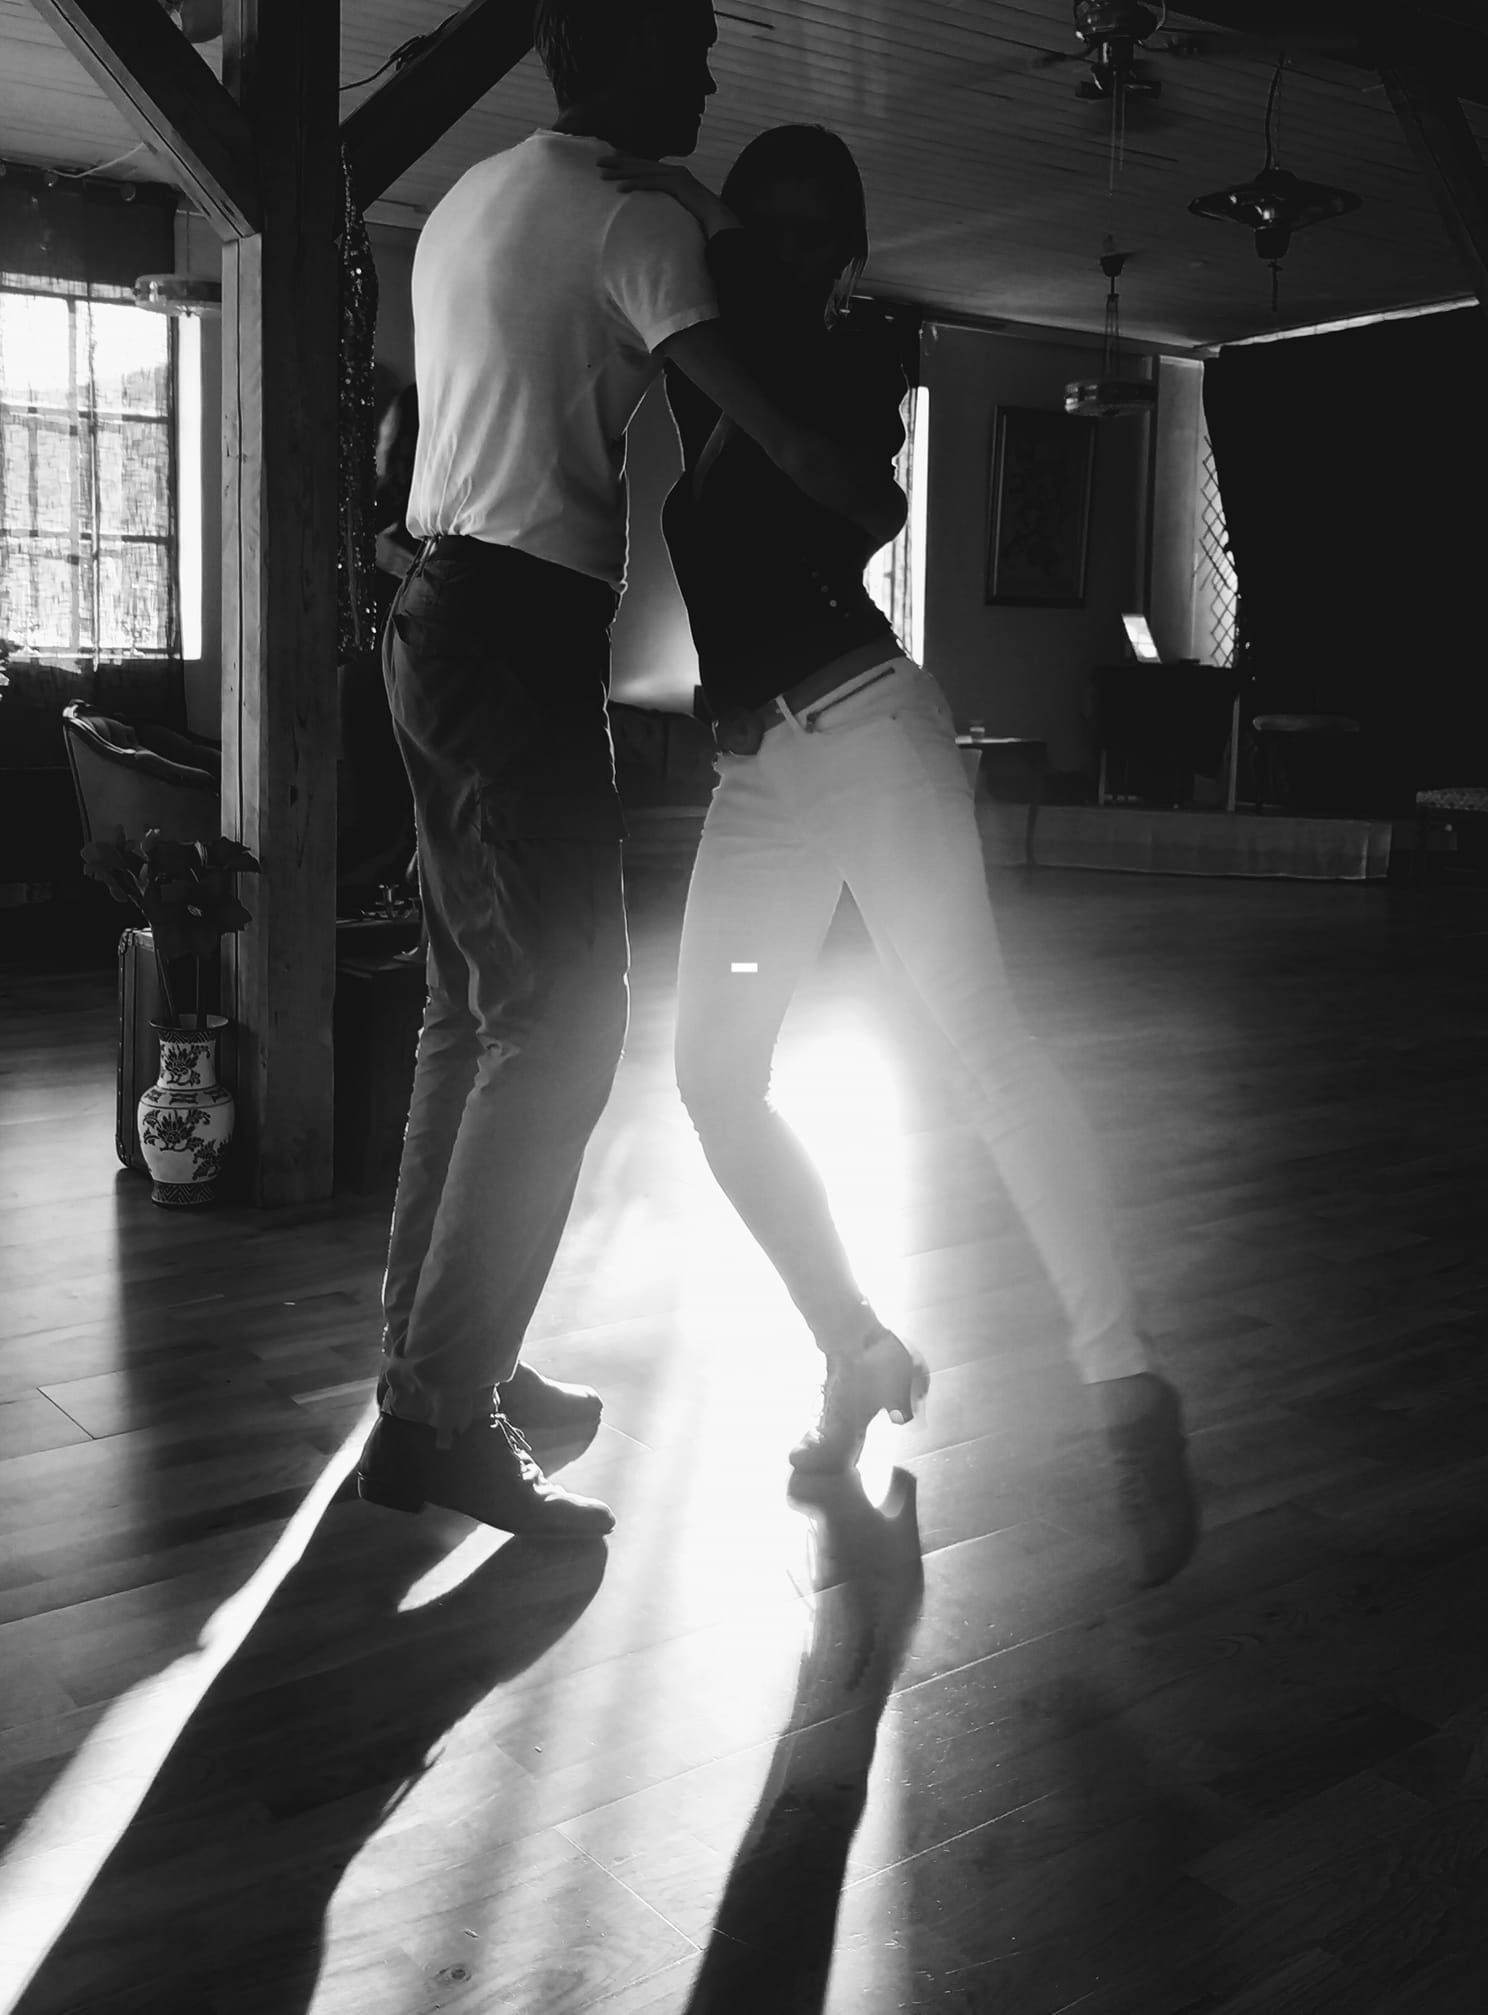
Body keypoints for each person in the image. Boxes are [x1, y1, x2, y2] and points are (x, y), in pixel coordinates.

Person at [597, 126, 1199, 1586]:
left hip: (869, 730)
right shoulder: (718, 361)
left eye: (815, 233)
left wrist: (701, 201)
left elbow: (855, 480)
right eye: (767, 226)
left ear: (847, 255)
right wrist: (702, 218)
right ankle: (857, 1347)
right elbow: (757, 395)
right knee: (714, 1082)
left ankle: (1126, 1382)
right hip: (757, 774)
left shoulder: (858, 357)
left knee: (979, 1040)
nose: (786, 253)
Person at [355, 3, 902, 1540]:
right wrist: (859, 480)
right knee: (564, 1025)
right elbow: (771, 416)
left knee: (473, 1014)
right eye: (694, 44)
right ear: (621, 47)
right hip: (515, 634)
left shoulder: (474, 196)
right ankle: (439, 1415)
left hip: (434, 619)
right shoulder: (631, 221)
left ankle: (435, 1363)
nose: (713, 73)